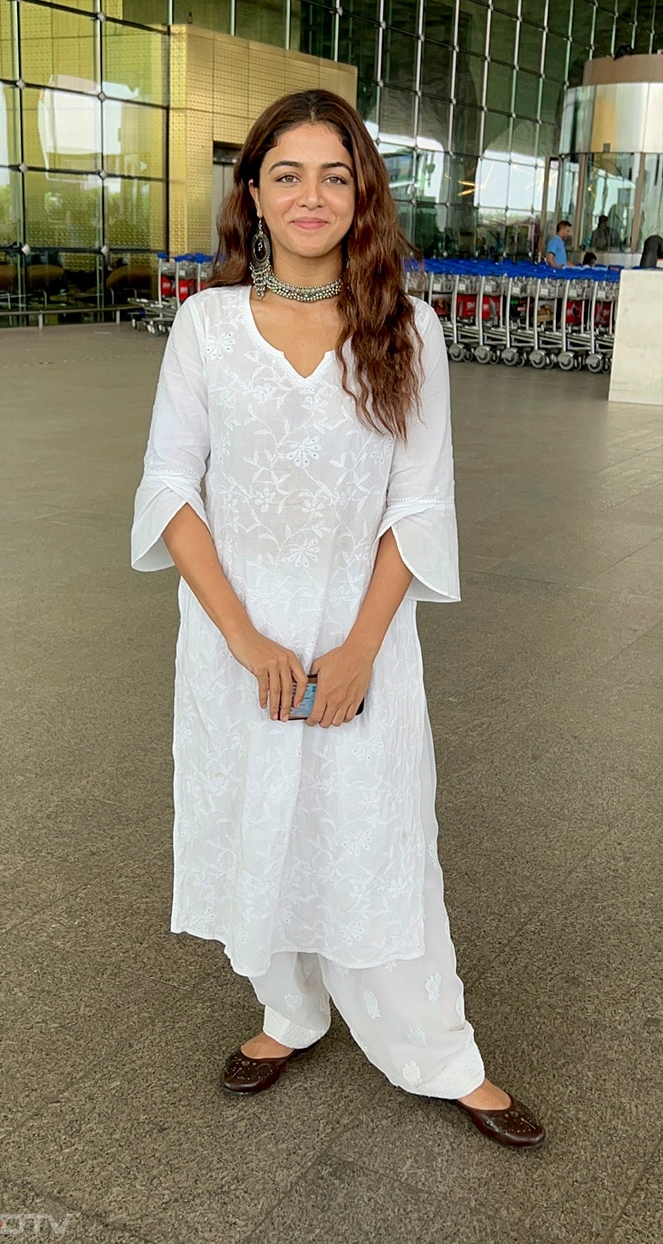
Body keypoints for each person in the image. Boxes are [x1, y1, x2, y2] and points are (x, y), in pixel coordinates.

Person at [131, 89, 545, 1150]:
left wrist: (361, 647)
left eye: (333, 175)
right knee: (255, 820)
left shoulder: (408, 329)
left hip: (363, 634)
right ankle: (289, 1009)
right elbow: (171, 488)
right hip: (235, 637)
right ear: (252, 194)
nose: (309, 195)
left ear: (363, 195)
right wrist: (243, 638)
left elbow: (419, 502)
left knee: (374, 835)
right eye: (287, 175)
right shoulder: (208, 325)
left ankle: (439, 1052)